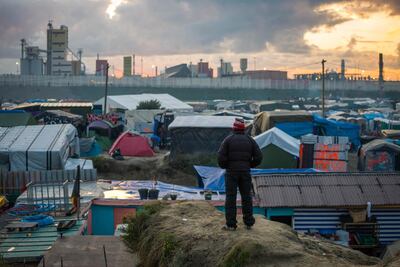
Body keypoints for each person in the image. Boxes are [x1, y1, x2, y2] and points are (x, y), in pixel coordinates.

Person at [217, 118, 262, 231]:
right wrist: (250, 165)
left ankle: (231, 225)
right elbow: (259, 157)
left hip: (231, 173)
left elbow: (220, 157)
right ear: (243, 129)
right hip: (245, 172)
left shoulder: (228, 140)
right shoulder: (250, 140)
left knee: (231, 198)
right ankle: (248, 223)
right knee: (246, 197)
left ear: (234, 128)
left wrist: (225, 166)